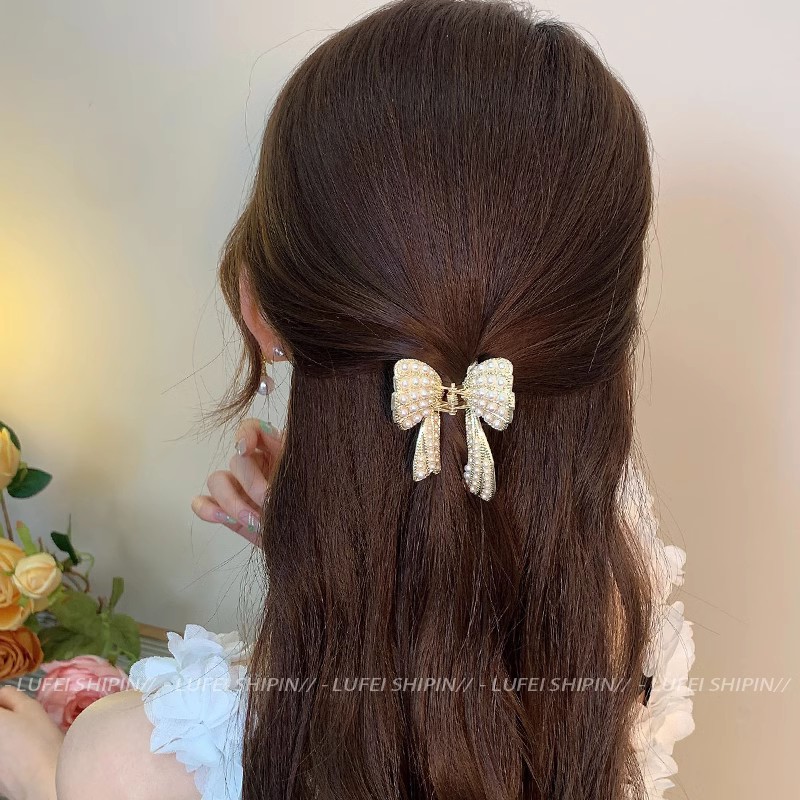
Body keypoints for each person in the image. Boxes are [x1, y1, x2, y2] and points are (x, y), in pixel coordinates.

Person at [0, 1, 695, 799]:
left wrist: (45, 776)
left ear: (257, 310)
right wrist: (347, 532)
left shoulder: (141, 759)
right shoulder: (626, 607)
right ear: (603, 336)